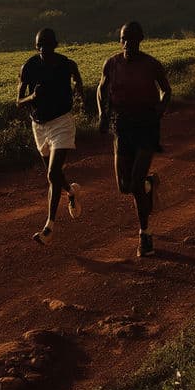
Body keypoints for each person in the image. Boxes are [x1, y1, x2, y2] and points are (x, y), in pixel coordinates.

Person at [96, 21, 171, 257]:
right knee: (124, 187)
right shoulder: (112, 64)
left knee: (135, 183)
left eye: (132, 39)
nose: (128, 43)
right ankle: (148, 184)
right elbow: (101, 89)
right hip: (122, 128)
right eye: (123, 39)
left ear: (140, 40)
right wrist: (102, 113)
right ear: (120, 41)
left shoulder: (151, 65)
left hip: (146, 128)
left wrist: (158, 111)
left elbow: (165, 90)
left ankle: (145, 235)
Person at [17, 27, 84, 245]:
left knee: (52, 173)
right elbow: (18, 101)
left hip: (61, 123)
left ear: (55, 45)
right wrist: (33, 97)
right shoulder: (28, 67)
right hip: (39, 126)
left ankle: (49, 227)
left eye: (48, 45)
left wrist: (79, 91)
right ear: (36, 47)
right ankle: (70, 192)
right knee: (53, 174)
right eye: (40, 46)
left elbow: (78, 80)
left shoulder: (67, 64)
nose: (44, 49)